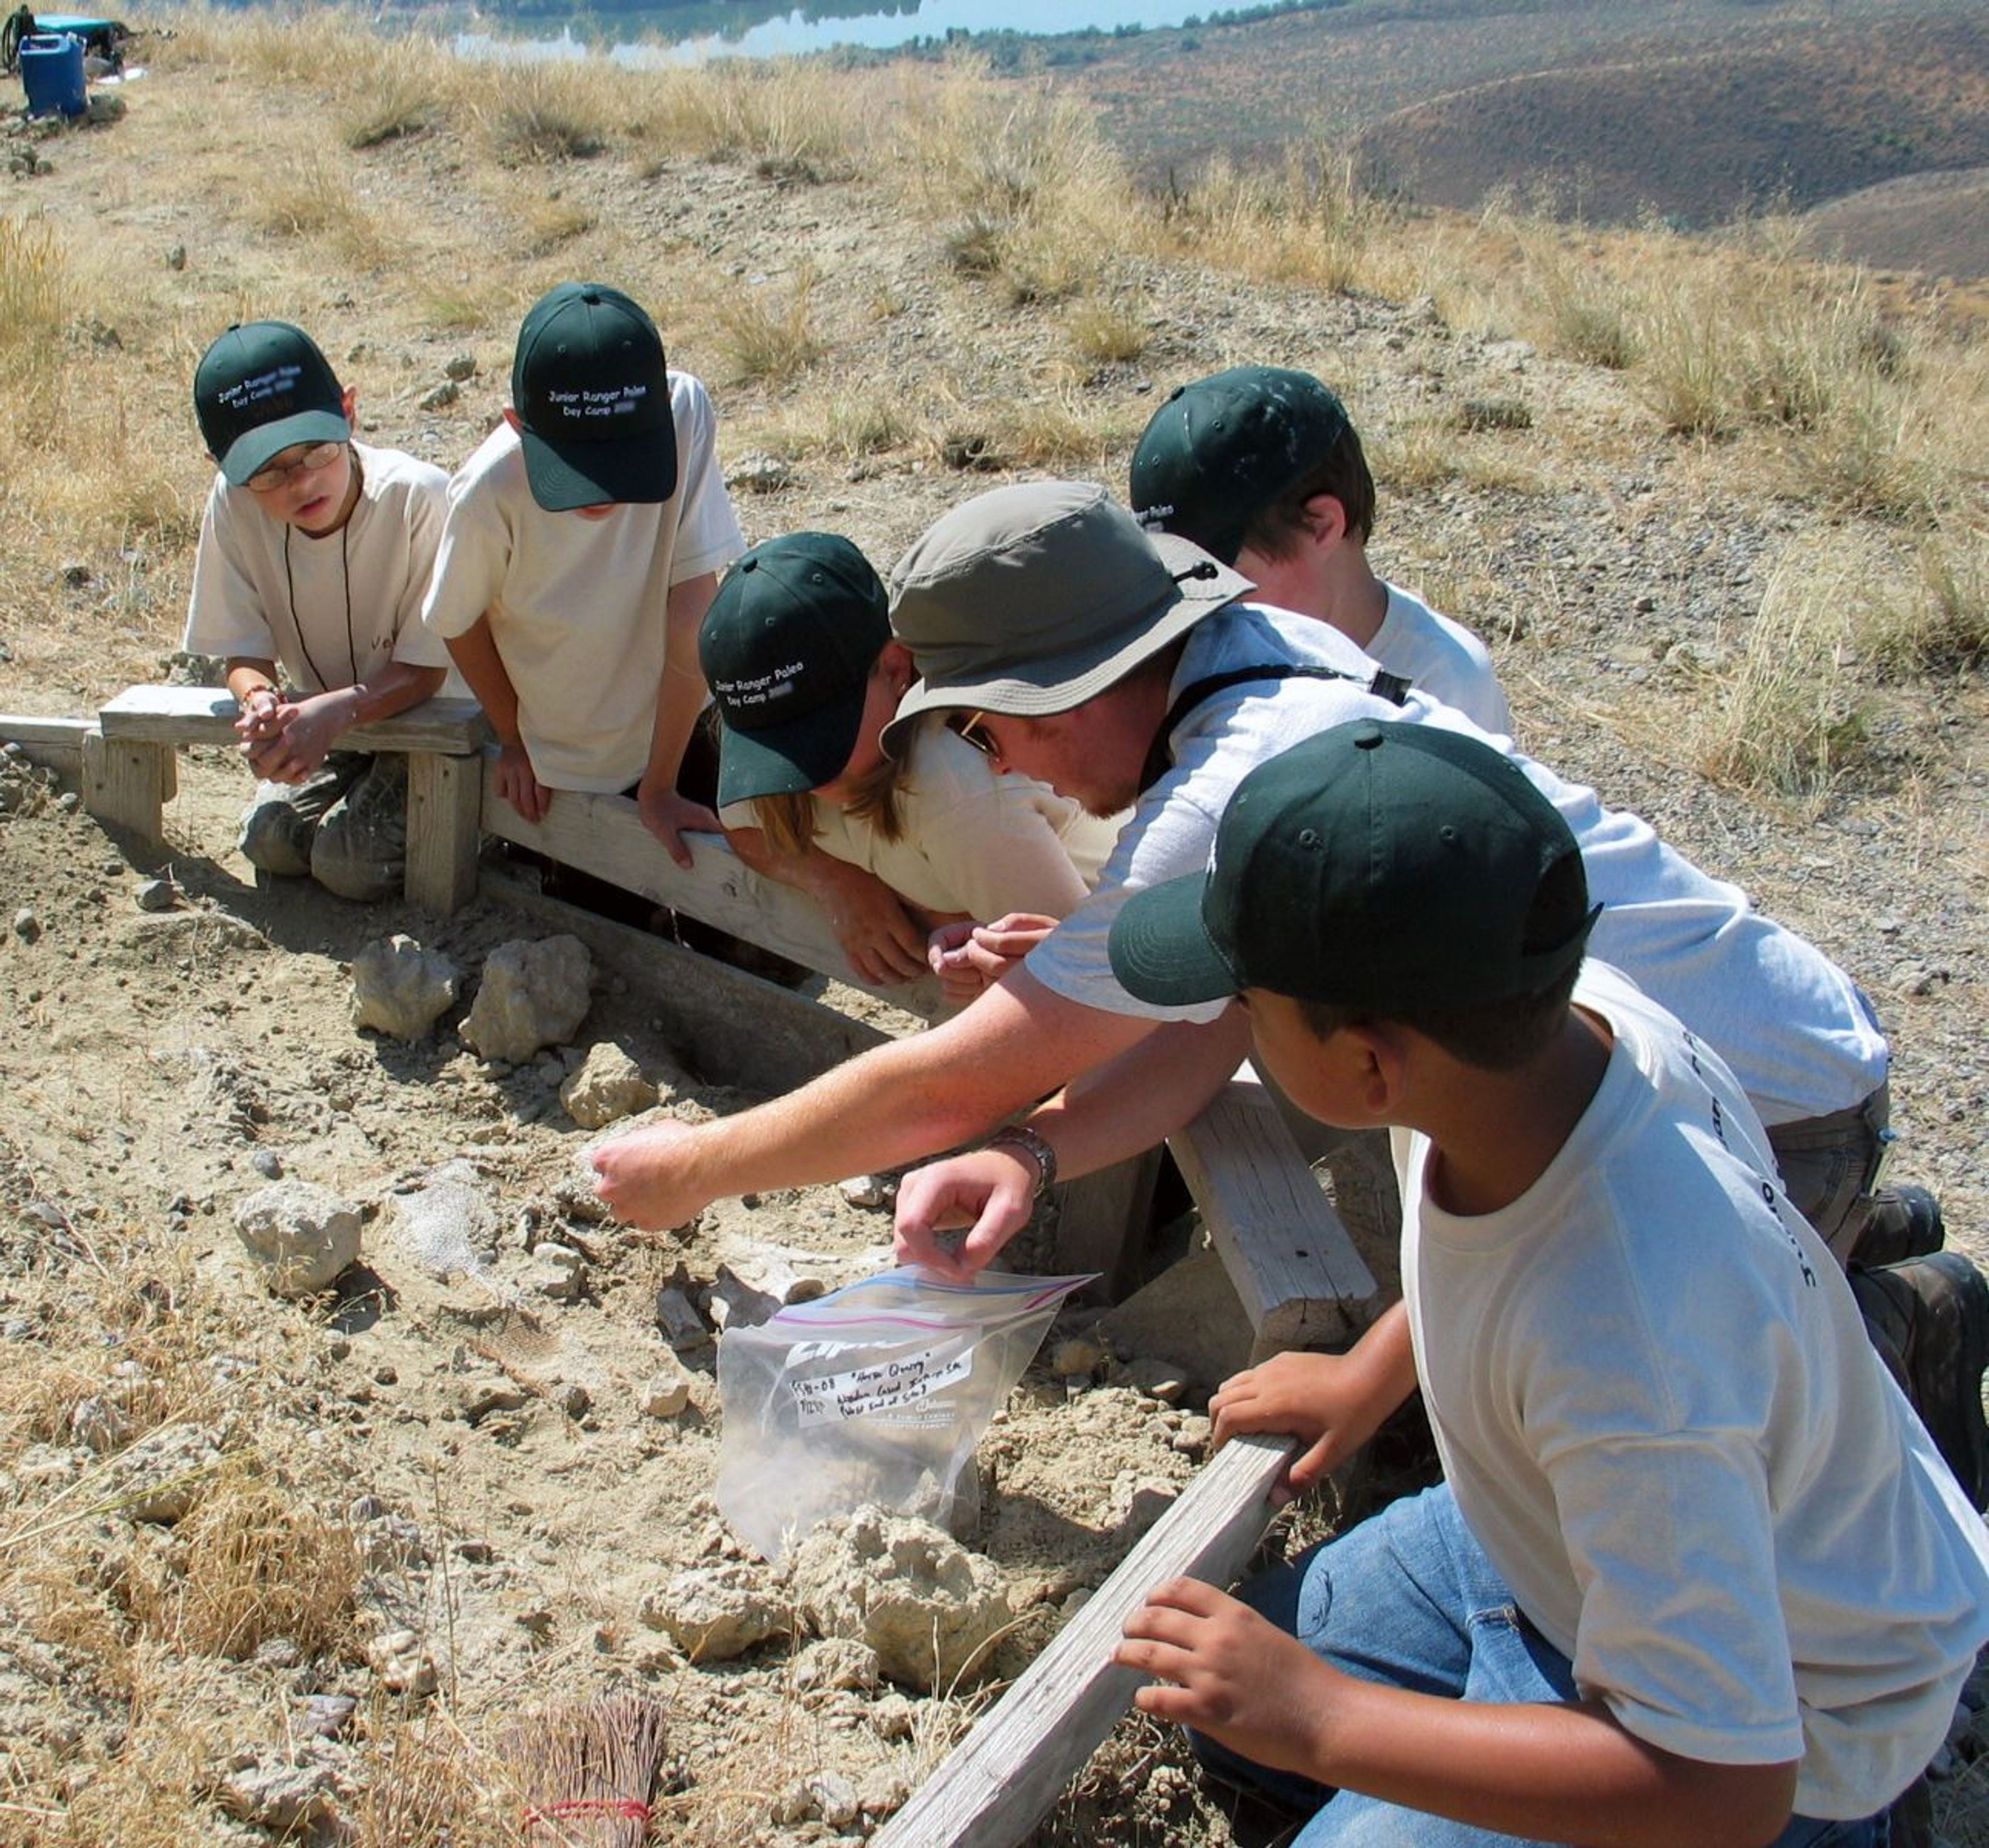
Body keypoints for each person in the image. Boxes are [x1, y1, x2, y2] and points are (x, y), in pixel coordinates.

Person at [591, 481, 1983, 1497]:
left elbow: (959, 1071)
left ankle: (1882, 1316)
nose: (1004, 768)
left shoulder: (1220, 793)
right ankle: (1859, 1248)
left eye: (994, 726)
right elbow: (1214, 1027)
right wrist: (1036, 1147)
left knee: (1589, 1452)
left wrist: (700, 1167)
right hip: (1747, 1039)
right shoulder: (1241, 660)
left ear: (1077, 684)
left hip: (1749, 1114)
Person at [1100, 721, 1989, 1848]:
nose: (1236, 1023)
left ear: (1369, 1064)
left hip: (1789, 1726)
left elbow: (1721, 1785)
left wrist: (1324, 1718)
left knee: (1283, 1720)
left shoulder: (1625, 1343)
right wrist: (1370, 1375)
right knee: (1215, 1710)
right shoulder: (1544, 1035)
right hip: (1556, 1542)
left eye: (1247, 1004)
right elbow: (1504, 1257)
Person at [1131, 362, 1943, 1277]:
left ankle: (1896, 1301)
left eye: (1217, 579)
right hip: (1659, 1073)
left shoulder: (1434, 688)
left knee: (1600, 1340)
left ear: (1323, 525)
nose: (1193, 619)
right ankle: (1857, 1234)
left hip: (1773, 1103)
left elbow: (1486, 1048)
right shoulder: (1265, 675)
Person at [419, 281, 745, 869]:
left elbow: (694, 608)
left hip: (682, 718)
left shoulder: (685, 412)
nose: (602, 491)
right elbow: (458, 620)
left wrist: (662, 785)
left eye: (622, 462)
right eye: (575, 468)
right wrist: (513, 738)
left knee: (730, 913)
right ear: (519, 424)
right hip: (570, 757)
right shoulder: (488, 489)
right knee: (606, 920)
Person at [699, 531, 1120, 973]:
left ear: (897, 668)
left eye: (817, 733)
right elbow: (744, 828)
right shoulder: (771, 721)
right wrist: (835, 881)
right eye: (775, 749)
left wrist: (953, 929)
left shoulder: (955, 789)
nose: (798, 768)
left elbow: (1080, 980)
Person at [183, 320, 455, 900]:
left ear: (350, 412)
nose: (301, 481)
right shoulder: (233, 505)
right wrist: (260, 702)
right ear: (224, 465)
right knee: (271, 840)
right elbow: (244, 649)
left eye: (317, 453)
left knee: (349, 865)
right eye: (268, 471)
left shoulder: (420, 497)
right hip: (330, 723)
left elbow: (428, 671)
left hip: (429, 724)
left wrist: (332, 716)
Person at [1131, 364, 1511, 737]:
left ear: (1321, 525)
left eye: (1231, 580)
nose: (1207, 613)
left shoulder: (1444, 685)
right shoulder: (1193, 661)